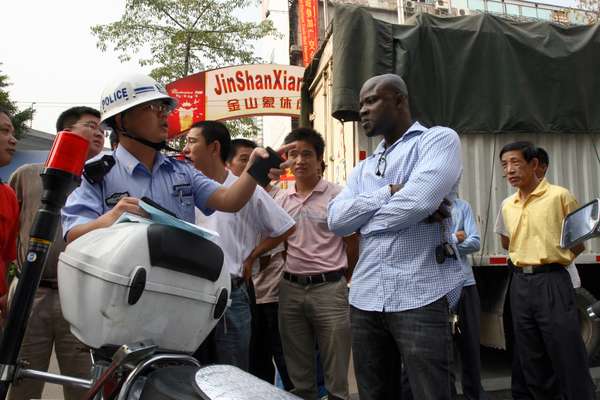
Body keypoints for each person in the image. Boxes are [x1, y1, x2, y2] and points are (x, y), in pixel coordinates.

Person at [328, 74, 464, 400]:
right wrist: (388, 192)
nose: (362, 110)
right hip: (365, 297)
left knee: (432, 393)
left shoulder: (437, 141)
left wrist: (363, 222)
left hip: (420, 294)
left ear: (400, 100)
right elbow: (334, 220)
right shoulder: (364, 169)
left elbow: (417, 202)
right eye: (360, 103)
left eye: (371, 101)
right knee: (374, 394)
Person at [61, 73, 293, 244]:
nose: (164, 115)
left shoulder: (181, 171)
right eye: (153, 107)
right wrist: (112, 217)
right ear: (121, 120)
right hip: (122, 301)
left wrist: (255, 167)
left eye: (165, 107)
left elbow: (230, 200)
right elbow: (72, 235)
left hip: (179, 295)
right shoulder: (94, 175)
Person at [7, 106, 105, 400]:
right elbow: (8, 229)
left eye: (103, 128)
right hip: (30, 292)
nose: (100, 132)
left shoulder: (102, 181)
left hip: (80, 296)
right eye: (90, 125)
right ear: (65, 133)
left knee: (81, 383)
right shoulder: (27, 175)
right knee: (21, 379)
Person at [182, 121, 295, 371]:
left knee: (231, 373)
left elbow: (286, 226)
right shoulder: (181, 185)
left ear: (214, 147)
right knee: (191, 372)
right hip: (188, 295)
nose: (185, 149)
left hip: (230, 294)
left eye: (192, 141)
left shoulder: (245, 187)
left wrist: (252, 256)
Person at [499, 141, 595, 400]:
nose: (509, 170)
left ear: (533, 165)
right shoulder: (508, 204)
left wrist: (554, 261)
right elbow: (507, 242)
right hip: (520, 284)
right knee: (529, 355)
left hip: (552, 281)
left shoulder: (560, 196)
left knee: (566, 351)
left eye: (515, 162)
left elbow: (578, 244)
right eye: (504, 165)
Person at [276, 127, 359, 400]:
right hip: (290, 289)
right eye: (293, 154)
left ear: (320, 159)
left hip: (329, 289)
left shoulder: (338, 196)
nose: (299, 160)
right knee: (299, 373)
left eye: (307, 154)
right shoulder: (281, 198)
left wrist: (343, 280)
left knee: (336, 372)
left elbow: (352, 243)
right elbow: (283, 243)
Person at [0, 107, 18, 320]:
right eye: (4, 131)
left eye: (12, 133)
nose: (12, 140)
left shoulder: (8, 195)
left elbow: (7, 257)